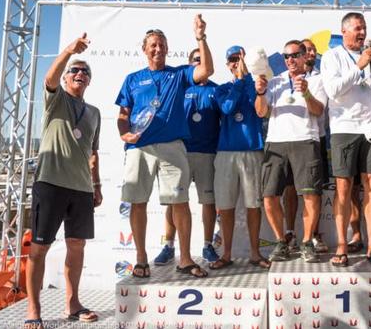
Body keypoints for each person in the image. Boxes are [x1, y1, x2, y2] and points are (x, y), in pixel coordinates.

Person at [115, 15, 213, 279]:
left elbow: (206, 71)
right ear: (144, 49)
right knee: (137, 202)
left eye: (162, 45)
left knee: (180, 202)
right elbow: (123, 114)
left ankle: (185, 259)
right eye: (153, 45)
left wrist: (200, 37)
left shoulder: (179, 74)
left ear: (168, 49)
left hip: (172, 146)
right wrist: (124, 135)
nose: (158, 49)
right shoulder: (132, 79)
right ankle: (141, 258)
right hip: (140, 149)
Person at [25, 34, 102, 329]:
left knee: (77, 246)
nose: (80, 74)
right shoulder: (55, 99)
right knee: (39, 248)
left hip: (81, 189)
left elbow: (93, 153)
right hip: (51, 184)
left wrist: (96, 186)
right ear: (67, 77)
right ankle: (34, 309)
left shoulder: (94, 113)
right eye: (75, 70)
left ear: (89, 81)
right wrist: (69, 52)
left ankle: (73, 305)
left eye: (85, 72)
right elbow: (50, 76)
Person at [321, 12, 371, 267]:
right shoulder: (332, 57)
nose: (362, 32)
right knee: (343, 189)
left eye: (364, 28)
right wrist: (359, 65)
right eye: (357, 28)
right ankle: (342, 244)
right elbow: (333, 91)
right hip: (343, 129)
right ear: (344, 31)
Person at [255, 40, 326, 263]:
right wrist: (260, 93)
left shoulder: (317, 80)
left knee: (311, 196)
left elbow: (318, 111)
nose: (290, 60)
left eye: (295, 55)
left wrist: (306, 93)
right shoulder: (274, 82)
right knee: (269, 196)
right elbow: (261, 113)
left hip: (306, 141)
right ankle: (281, 241)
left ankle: (306, 242)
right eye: (286, 56)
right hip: (276, 143)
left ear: (305, 56)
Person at [153, 48, 221, 265]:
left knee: (208, 202)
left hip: (207, 153)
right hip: (180, 151)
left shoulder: (217, 90)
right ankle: (168, 245)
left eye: (202, 60)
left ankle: (208, 245)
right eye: (195, 60)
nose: (199, 63)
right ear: (190, 63)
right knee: (175, 201)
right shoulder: (180, 88)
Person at [210, 45, 270, 269]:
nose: (238, 62)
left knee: (253, 204)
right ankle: (226, 253)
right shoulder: (223, 88)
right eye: (233, 59)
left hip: (252, 150)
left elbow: (262, 109)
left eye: (241, 58)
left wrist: (247, 80)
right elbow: (226, 108)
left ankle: (255, 253)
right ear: (227, 64)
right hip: (226, 152)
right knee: (225, 206)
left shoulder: (257, 86)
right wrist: (238, 81)